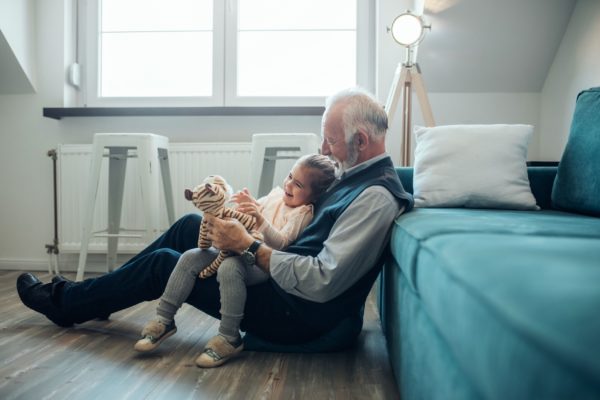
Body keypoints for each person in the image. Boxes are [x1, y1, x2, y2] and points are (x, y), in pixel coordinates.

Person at [16, 87, 414, 367]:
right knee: (191, 224)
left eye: (330, 141)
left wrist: (251, 247)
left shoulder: (374, 197)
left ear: (360, 140)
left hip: (296, 314)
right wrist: (251, 222)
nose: (324, 150)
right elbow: (300, 231)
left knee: (167, 263)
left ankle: (64, 304)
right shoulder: (355, 173)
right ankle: (95, 299)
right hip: (280, 280)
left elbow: (323, 281)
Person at [134, 154, 336, 367]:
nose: (288, 185)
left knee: (229, 268)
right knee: (189, 257)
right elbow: (249, 215)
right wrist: (245, 206)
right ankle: (164, 320)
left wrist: (259, 219)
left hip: (260, 262)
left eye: (298, 185)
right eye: (289, 177)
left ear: (314, 196)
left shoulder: (302, 213)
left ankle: (229, 337)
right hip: (235, 248)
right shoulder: (277, 194)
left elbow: (282, 243)